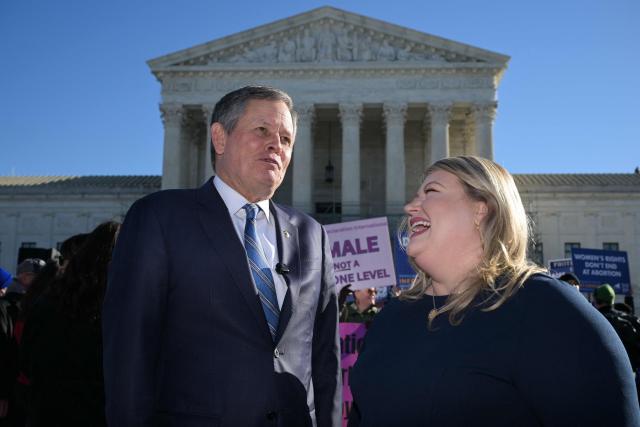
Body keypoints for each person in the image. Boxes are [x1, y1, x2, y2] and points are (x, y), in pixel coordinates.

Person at [103, 86, 341, 427]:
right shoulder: (160, 218)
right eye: (262, 131)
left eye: (286, 139)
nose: (277, 144)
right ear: (220, 137)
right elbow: (130, 352)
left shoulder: (311, 234)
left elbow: (324, 359)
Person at [348, 156, 639, 426]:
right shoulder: (392, 318)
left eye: (431, 192)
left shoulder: (546, 310)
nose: (410, 207)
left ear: (481, 209)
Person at [20, 221, 119, 426]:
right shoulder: (123, 310)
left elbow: (27, 360)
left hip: (49, 410)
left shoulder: (48, 304)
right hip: (99, 412)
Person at [593, 284, 640, 372]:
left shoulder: (593, 320)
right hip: (628, 373)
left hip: (601, 372)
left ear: (597, 300)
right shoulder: (630, 319)